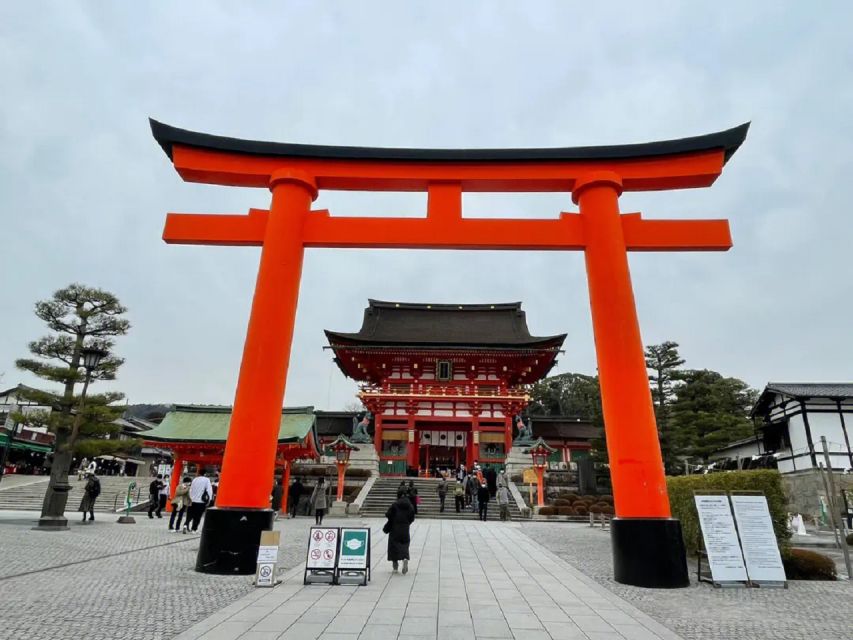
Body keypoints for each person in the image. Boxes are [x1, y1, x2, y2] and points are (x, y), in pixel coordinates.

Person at [385, 489, 415, 574]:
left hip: (395, 528)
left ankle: (395, 566)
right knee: (405, 544)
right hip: (405, 528)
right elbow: (412, 517)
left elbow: (388, 514)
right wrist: (407, 523)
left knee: (393, 546)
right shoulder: (410, 505)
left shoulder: (395, 505)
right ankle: (405, 558)